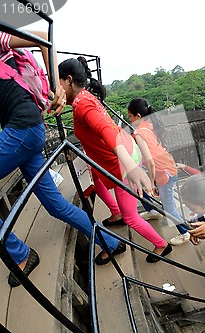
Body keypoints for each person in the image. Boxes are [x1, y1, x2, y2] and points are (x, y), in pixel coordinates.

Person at [0, 26, 126, 286]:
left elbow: (42, 35)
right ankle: (111, 241)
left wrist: (56, 87)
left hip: (21, 130)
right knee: (56, 206)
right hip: (28, 132)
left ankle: (20, 254)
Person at [58, 58, 170, 264]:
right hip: (119, 155)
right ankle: (115, 212)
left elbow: (105, 130)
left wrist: (129, 165)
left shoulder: (84, 105)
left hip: (123, 164)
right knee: (95, 177)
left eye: (58, 81)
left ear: (68, 80)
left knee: (131, 218)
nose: (56, 87)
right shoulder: (83, 98)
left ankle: (162, 244)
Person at [127, 98, 190, 246]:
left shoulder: (139, 133)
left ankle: (185, 232)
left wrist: (152, 181)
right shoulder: (149, 124)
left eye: (130, 116)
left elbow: (149, 162)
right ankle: (153, 211)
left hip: (164, 172)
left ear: (137, 116)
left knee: (169, 208)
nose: (129, 119)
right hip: (166, 166)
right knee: (140, 184)